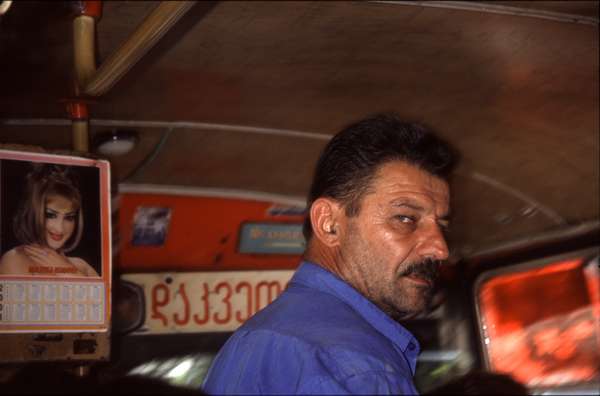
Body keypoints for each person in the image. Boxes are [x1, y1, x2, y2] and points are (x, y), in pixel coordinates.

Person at [202, 113, 457, 394]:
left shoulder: (257, 339)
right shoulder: (357, 368)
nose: (440, 248)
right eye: (406, 219)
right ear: (329, 223)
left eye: (441, 226)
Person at [0, 163, 98, 277]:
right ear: (34, 212)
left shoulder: (82, 266)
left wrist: (67, 270)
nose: (59, 228)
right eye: (50, 215)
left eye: (69, 217)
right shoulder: (14, 259)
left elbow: (106, 295)